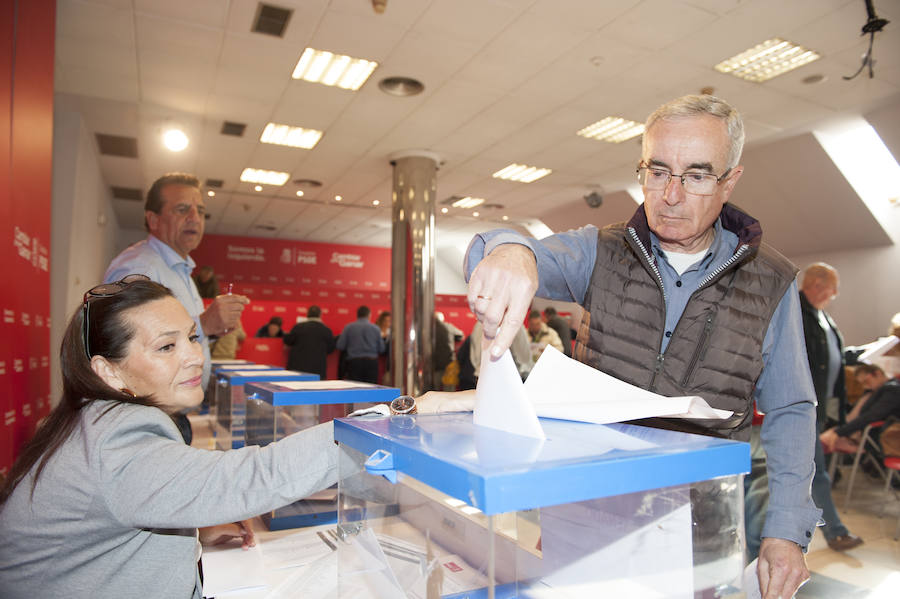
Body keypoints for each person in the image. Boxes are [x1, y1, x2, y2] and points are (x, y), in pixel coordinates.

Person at [462, 94, 819, 598]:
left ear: (729, 181)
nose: (670, 194)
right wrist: (511, 251)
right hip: (589, 511)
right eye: (657, 171)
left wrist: (786, 529)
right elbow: (502, 251)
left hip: (702, 523)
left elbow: (791, 411)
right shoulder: (599, 251)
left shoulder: (771, 283)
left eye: (695, 175)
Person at [0, 277, 337, 599]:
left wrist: (194, 531)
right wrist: (367, 430)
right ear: (108, 371)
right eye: (166, 346)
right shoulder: (117, 438)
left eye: (192, 337)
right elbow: (253, 476)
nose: (195, 356)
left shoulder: (90, 419)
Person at [104, 173, 250, 390]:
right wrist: (204, 324)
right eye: (182, 210)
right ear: (154, 220)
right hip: (149, 409)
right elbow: (131, 348)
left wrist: (211, 331)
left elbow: (171, 341)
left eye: (200, 211)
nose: (194, 218)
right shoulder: (140, 268)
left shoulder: (182, 270)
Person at [797, 263, 862, 552]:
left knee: (810, 473)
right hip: (801, 408)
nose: (835, 294)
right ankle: (835, 532)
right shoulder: (795, 311)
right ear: (817, 284)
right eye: (832, 287)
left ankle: (821, 532)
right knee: (816, 473)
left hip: (818, 409)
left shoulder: (822, 316)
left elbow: (830, 355)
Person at [820, 364, 900, 455]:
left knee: (824, 441)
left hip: (885, 436)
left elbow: (872, 415)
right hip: (869, 433)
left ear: (877, 373)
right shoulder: (874, 392)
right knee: (825, 440)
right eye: (861, 384)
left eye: (866, 382)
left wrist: (840, 432)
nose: (865, 387)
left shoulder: (892, 390)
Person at [283, 306, 335, 379]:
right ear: (320, 315)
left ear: (307, 314)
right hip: (317, 369)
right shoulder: (326, 330)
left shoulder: (298, 327)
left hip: (298, 368)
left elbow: (288, 341)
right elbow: (330, 349)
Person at [336, 305, 385, 384]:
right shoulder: (376, 328)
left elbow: (340, 346)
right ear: (369, 315)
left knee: (355, 388)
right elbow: (381, 349)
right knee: (371, 388)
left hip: (354, 363)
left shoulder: (348, 327)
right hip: (371, 363)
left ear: (357, 315)